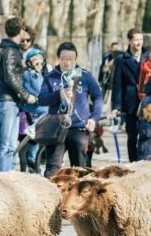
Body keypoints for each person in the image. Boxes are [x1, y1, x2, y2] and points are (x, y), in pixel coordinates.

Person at [38, 42, 103, 177]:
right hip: (56, 128)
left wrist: (94, 118)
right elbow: (42, 99)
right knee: (52, 169)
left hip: (79, 128)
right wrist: (58, 95)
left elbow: (97, 97)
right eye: (64, 59)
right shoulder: (51, 77)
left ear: (76, 59)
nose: (68, 62)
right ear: (58, 58)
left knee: (81, 168)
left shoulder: (85, 76)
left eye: (71, 59)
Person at [0, 18, 36, 173]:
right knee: (3, 145)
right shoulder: (10, 51)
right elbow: (10, 77)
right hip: (6, 101)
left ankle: (7, 179)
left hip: (7, 101)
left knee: (10, 145)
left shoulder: (2, 50)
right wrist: (26, 95)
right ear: (21, 31)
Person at [111, 29, 146, 162]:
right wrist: (116, 106)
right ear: (130, 41)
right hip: (130, 102)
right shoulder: (121, 60)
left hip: (147, 102)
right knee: (132, 135)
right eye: (136, 39)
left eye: (141, 39)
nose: (139, 43)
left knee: (146, 134)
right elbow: (117, 84)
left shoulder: (148, 57)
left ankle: (146, 161)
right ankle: (133, 162)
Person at [19, 48, 49, 173]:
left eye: (40, 59)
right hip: (30, 109)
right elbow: (36, 90)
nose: (38, 62)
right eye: (35, 59)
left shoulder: (40, 74)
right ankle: (26, 168)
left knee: (33, 141)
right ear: (29, 62)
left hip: (37, 109)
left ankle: (32, 167)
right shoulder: (28, 74)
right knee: (24, 142)